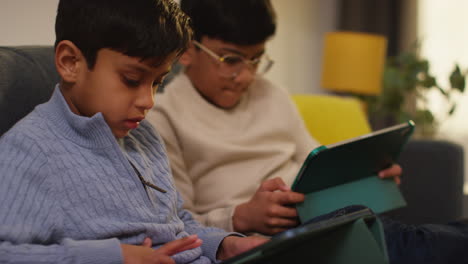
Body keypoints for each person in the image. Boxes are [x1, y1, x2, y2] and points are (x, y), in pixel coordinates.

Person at [147, 0, 468, 263]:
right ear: (187, 51)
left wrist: (366, 173)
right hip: (265, 241)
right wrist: (239, 218)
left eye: (256, 59)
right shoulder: (163, 117)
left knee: (396, 233)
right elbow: (176, 223)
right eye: (231, 59)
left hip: (321, 218)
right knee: (405, 241)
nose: (245, 76)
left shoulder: (271, 94)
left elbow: (318, 161)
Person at [0, 0, 267, 263]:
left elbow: (176, 224)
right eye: (132, 80)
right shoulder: (30, 150)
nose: (148, 101)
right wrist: (115, 256)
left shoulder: (143, 135)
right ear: (70, 62)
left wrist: (223, 245)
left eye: (157, 83)